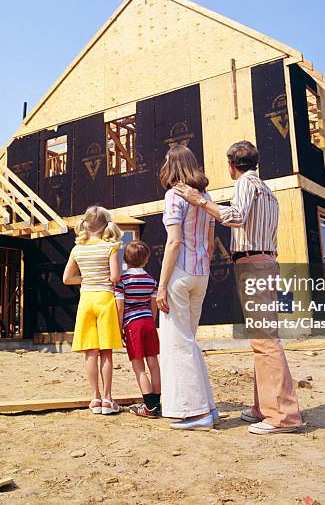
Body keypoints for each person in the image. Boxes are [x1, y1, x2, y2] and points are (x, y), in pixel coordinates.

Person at [175, 140, 304, 435]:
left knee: (265, 340)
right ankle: (264, 407)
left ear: (231, 165)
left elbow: (236, 217)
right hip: (266, 261)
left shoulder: (246, 184)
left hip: (253, 263)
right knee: (261, 337)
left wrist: (199, 200)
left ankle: (283, 416)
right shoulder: (268, 192)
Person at [157, 145, 219, 431]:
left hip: (180, 274)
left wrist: (161, 286)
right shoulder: (205, 197)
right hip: (201, 274)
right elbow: (209, 243)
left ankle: (195, 413)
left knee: (177, 343)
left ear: (171, 165)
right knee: (189, 340)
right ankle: (207, 406)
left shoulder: (173, 196)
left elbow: (174, 242)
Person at [63, 205, 124, 415]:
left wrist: (86, 278)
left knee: (90, 352)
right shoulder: (110, 247)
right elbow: (115, 277)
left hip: (86, 300)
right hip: (105, 299)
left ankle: (95, 398)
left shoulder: (77, 249)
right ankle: (108, 399)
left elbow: (67, 278)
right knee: (106, 351)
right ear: (106, 224)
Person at [114, 240, 162, 418]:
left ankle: (149, 407)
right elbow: (153, 306)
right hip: (148, 323)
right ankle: (157, 403)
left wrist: (119, 329)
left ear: (125, 259)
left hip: (132, 325)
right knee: (154, 364)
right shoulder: (151, 280)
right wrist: (151, 321)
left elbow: (120, 307)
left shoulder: (123, 280)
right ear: (146, 259)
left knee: (138, 367)